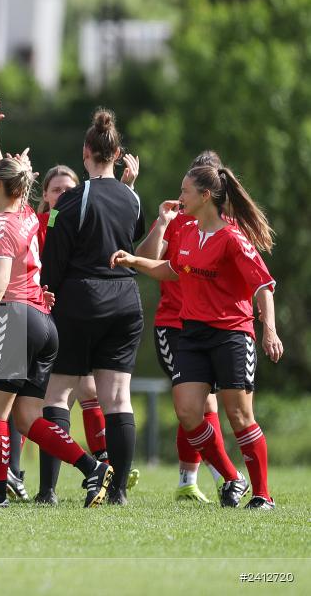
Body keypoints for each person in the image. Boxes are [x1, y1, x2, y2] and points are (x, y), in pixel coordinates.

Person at [111, 164, 281, 509]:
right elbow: (172, 270)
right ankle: (233, 478)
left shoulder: (233, 239)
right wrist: (134, 261)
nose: (180, 196)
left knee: (238, 415)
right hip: (192, 333)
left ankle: (263, 495)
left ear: (205, 196)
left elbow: (263, 285)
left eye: (186, 191)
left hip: (232, 334)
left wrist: (270, 332)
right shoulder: (186, 232)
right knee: (188, 411)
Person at [0, 136, 114, 509]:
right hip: (44, 325)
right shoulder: (27, 215)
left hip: (12, 317)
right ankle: (92, 467)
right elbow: (9, 179)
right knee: (28, 417)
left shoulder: (0, 226)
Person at [41, 109, 145, 505]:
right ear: (117, 154)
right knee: (118, 397)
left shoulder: (73, 199)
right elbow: (130, 238)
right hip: (125, 300)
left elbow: (55, 256)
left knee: (57, 394)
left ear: (86, 152)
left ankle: (48, 491)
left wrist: (47, 293)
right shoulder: (132, 197)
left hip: (81, 298)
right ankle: (117, 492)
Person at [134, 150, 225, 503]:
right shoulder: (179, 220)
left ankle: (191, 480)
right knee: (199, 406)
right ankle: (218, 477)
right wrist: (161, 221)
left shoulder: (223, 224)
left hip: (209, 326)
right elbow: (151, 258)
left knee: (208, 405)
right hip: (174, 325)